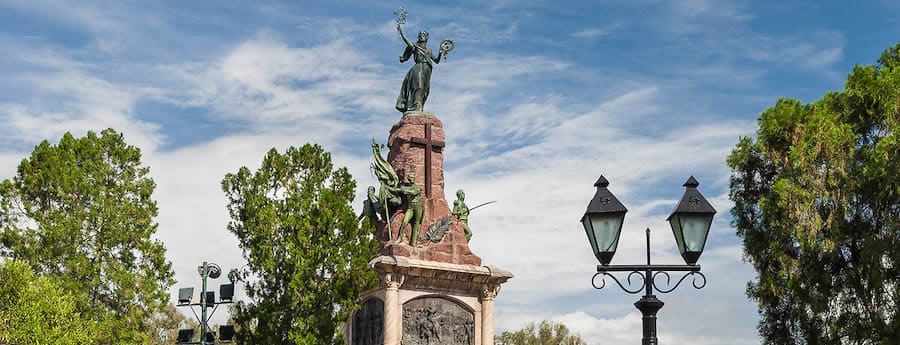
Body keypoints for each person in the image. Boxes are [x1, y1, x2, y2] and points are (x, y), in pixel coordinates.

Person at [396, 23, 444, 113]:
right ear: (418, 37)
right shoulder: (415, 46)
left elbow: (436, 61)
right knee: (419, 86)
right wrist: (402, 33)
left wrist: (440, 52)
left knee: (425, 90)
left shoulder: (429, 50)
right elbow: (408, 43)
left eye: (424, 35)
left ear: (427, 38)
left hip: (427, 70)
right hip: (418, 67)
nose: (422, 36)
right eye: (421, 35)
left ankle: (420, 107)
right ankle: (414, 107)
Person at [388, 173, 424, 245]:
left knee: (416, 224)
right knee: (405, 221)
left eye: (413, 177)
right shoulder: (406, 187)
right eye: (411, 177)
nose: (412, 178)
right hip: (410, 208)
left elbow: (413, 192)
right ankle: (400, 238)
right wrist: (388, 187)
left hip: (418, 207)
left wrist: (403, 190)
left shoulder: (418, 188)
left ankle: (413, 243)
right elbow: (397, 189)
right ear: (409, 179)